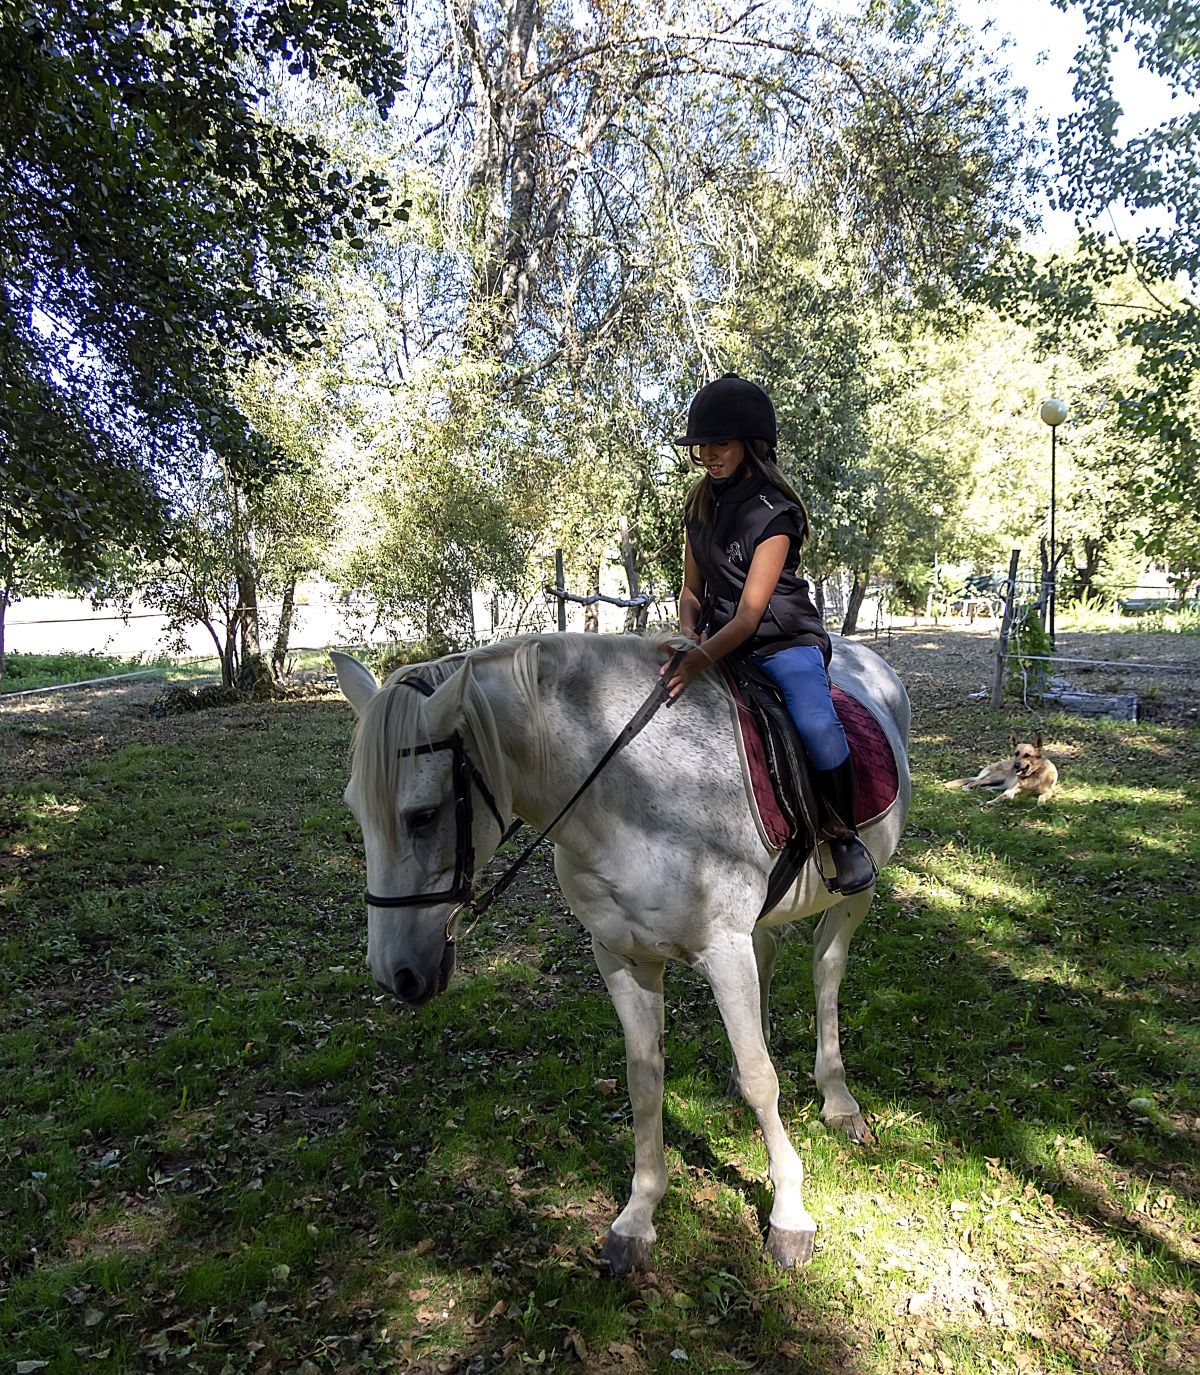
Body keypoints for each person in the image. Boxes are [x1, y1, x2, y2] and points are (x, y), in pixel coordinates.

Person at [662, 372, 875, 895]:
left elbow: (750, 615)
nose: (708, 455)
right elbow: (691, 591)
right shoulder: (700, 505)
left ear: (751, 446)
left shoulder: (775, 515)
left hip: (781, 642)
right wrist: (688, 636)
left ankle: (842, 834)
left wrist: (698, 660)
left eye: (720, 444)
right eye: (701, 446)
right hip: (717, 638)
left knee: (817, 725)